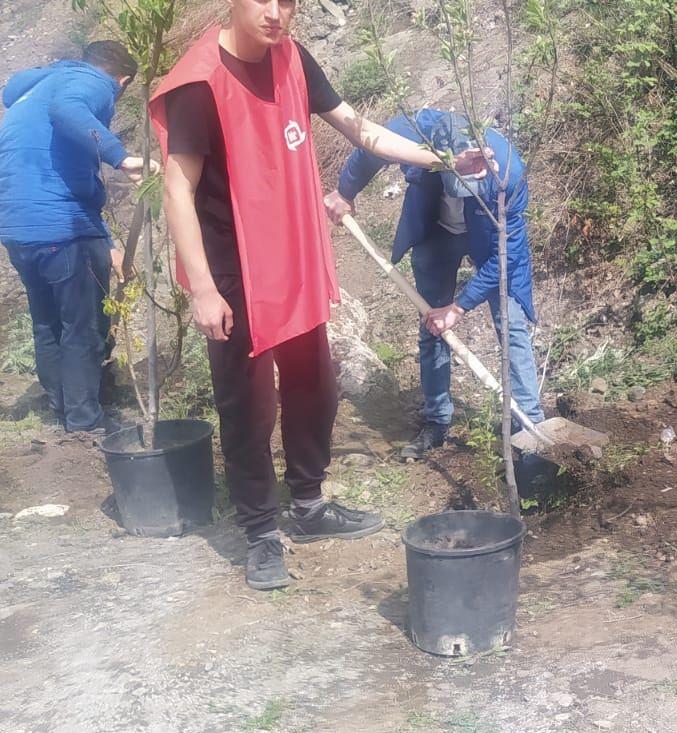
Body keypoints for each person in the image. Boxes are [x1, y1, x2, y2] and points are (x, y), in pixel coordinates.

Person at [152, 0, 489, 590]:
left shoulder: (292, 59)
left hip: (293, 258)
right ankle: (260, 531)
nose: (276, 13)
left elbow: (360, 129)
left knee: (314, 388)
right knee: (248, 405)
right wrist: (202, 288)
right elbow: (177, 192)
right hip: (235, 272)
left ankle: (308, 505)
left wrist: (440, 160)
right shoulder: (199, 84)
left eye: (288, 1)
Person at [323, 109, 545, 464]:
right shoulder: (416, 130)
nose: (461, 195)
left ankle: (531, 426)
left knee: (511, 324)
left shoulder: (508, 175)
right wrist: (345, 191)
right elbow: (370, 144)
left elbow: (504, 259)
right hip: (436, 232)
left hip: (489, 236)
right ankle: (436, 421)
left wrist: (458, 308)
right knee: (431, 324)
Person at [0, 40, 148, 439]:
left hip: (17, 228)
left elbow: (71, 177)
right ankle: (84, 424)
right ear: (122, 80)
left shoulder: (37, 88)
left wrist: (106, 243)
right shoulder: (93, 83)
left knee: (47, 321)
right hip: (61, 228)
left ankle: (63, 408)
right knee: (83, 325)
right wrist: (121, 156)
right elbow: (68, 111)